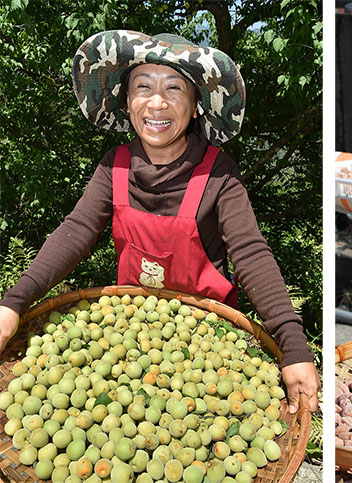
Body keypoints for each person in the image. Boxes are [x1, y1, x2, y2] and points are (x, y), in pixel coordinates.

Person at [0, 30, 319, 413]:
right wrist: (13, 304)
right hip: (126, 333)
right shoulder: (112, 167)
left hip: (206, 339)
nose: (156, 102)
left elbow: (251, 254)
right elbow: (76, 231)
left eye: (174, 89)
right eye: (143, 87)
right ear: (126, 100)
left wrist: (293, 344)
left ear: (197, 105)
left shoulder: (219, 175)